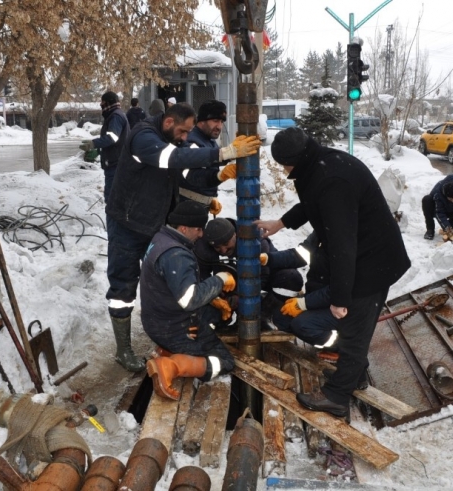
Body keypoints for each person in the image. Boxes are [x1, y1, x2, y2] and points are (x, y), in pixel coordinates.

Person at [255, 127, 410, 422]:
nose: (286, 171)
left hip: (373, 262)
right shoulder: (320, 165)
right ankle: (357, 374)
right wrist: (282, 223)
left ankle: (336, 397)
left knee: (354, 330)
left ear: (296, 161)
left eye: (286, 166)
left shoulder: (332, 180)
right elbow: (312, 203)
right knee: (354, 327)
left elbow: (342, 246)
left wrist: (340, 299)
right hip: (364, 254)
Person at [104, 102, 261, 372]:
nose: (186, 137)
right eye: (183, 131)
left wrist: (215, 180)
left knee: (166, 278)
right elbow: (172, 160)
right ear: (168, 123)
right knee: (123, 288)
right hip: (128, 225)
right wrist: (225, 153)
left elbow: (187, 173)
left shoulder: (170, 139)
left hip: (154, 222)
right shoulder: (144, 138)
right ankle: (123, 349)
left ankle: (170, 327)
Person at [141, 201, 237, 400]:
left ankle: (168, 350)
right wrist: (220, 280)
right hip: (172, 326)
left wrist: (210, 301)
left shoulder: (162, 239)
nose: (201, 235)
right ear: (183, 228)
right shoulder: (176, 255)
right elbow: (190, 300)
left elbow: (177, 286)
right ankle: (171, 366)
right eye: (198, 229)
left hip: (160, 319)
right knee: (224, 361)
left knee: (217, 315)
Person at [194, 217, 304, 325]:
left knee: (291, 277)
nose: (223, 250)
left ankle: (265, 315)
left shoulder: (254, 240)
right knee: (213, 314)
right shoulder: (203, 248)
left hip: (263, 277)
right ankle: (223, 323)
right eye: (217, 247)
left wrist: (240, 296)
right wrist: (215, 298)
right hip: (229, 283)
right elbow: (202, 277)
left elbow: (262, 276)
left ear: (235, 235)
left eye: (226, 244)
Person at [179, 100, 236, 215]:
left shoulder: (209, 141)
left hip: (198, 207)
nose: (219, 126)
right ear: (202, 121)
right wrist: (219, 176)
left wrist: (210, 198)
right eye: (215, 121)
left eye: (221, 122)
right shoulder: (192, 141)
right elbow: (191, 176)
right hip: (187, 209)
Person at [79, 91, 129, 202]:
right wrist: (99, 151)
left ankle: (113, 219)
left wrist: (93, 144)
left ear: (108, 103)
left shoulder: (115, 116)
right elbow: (117, 142)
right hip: (114, 162)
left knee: (112, 200)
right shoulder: (115, 114)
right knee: (113, 199)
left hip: (115, 164)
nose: (101, 105)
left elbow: (112, 138)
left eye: (102, 102)